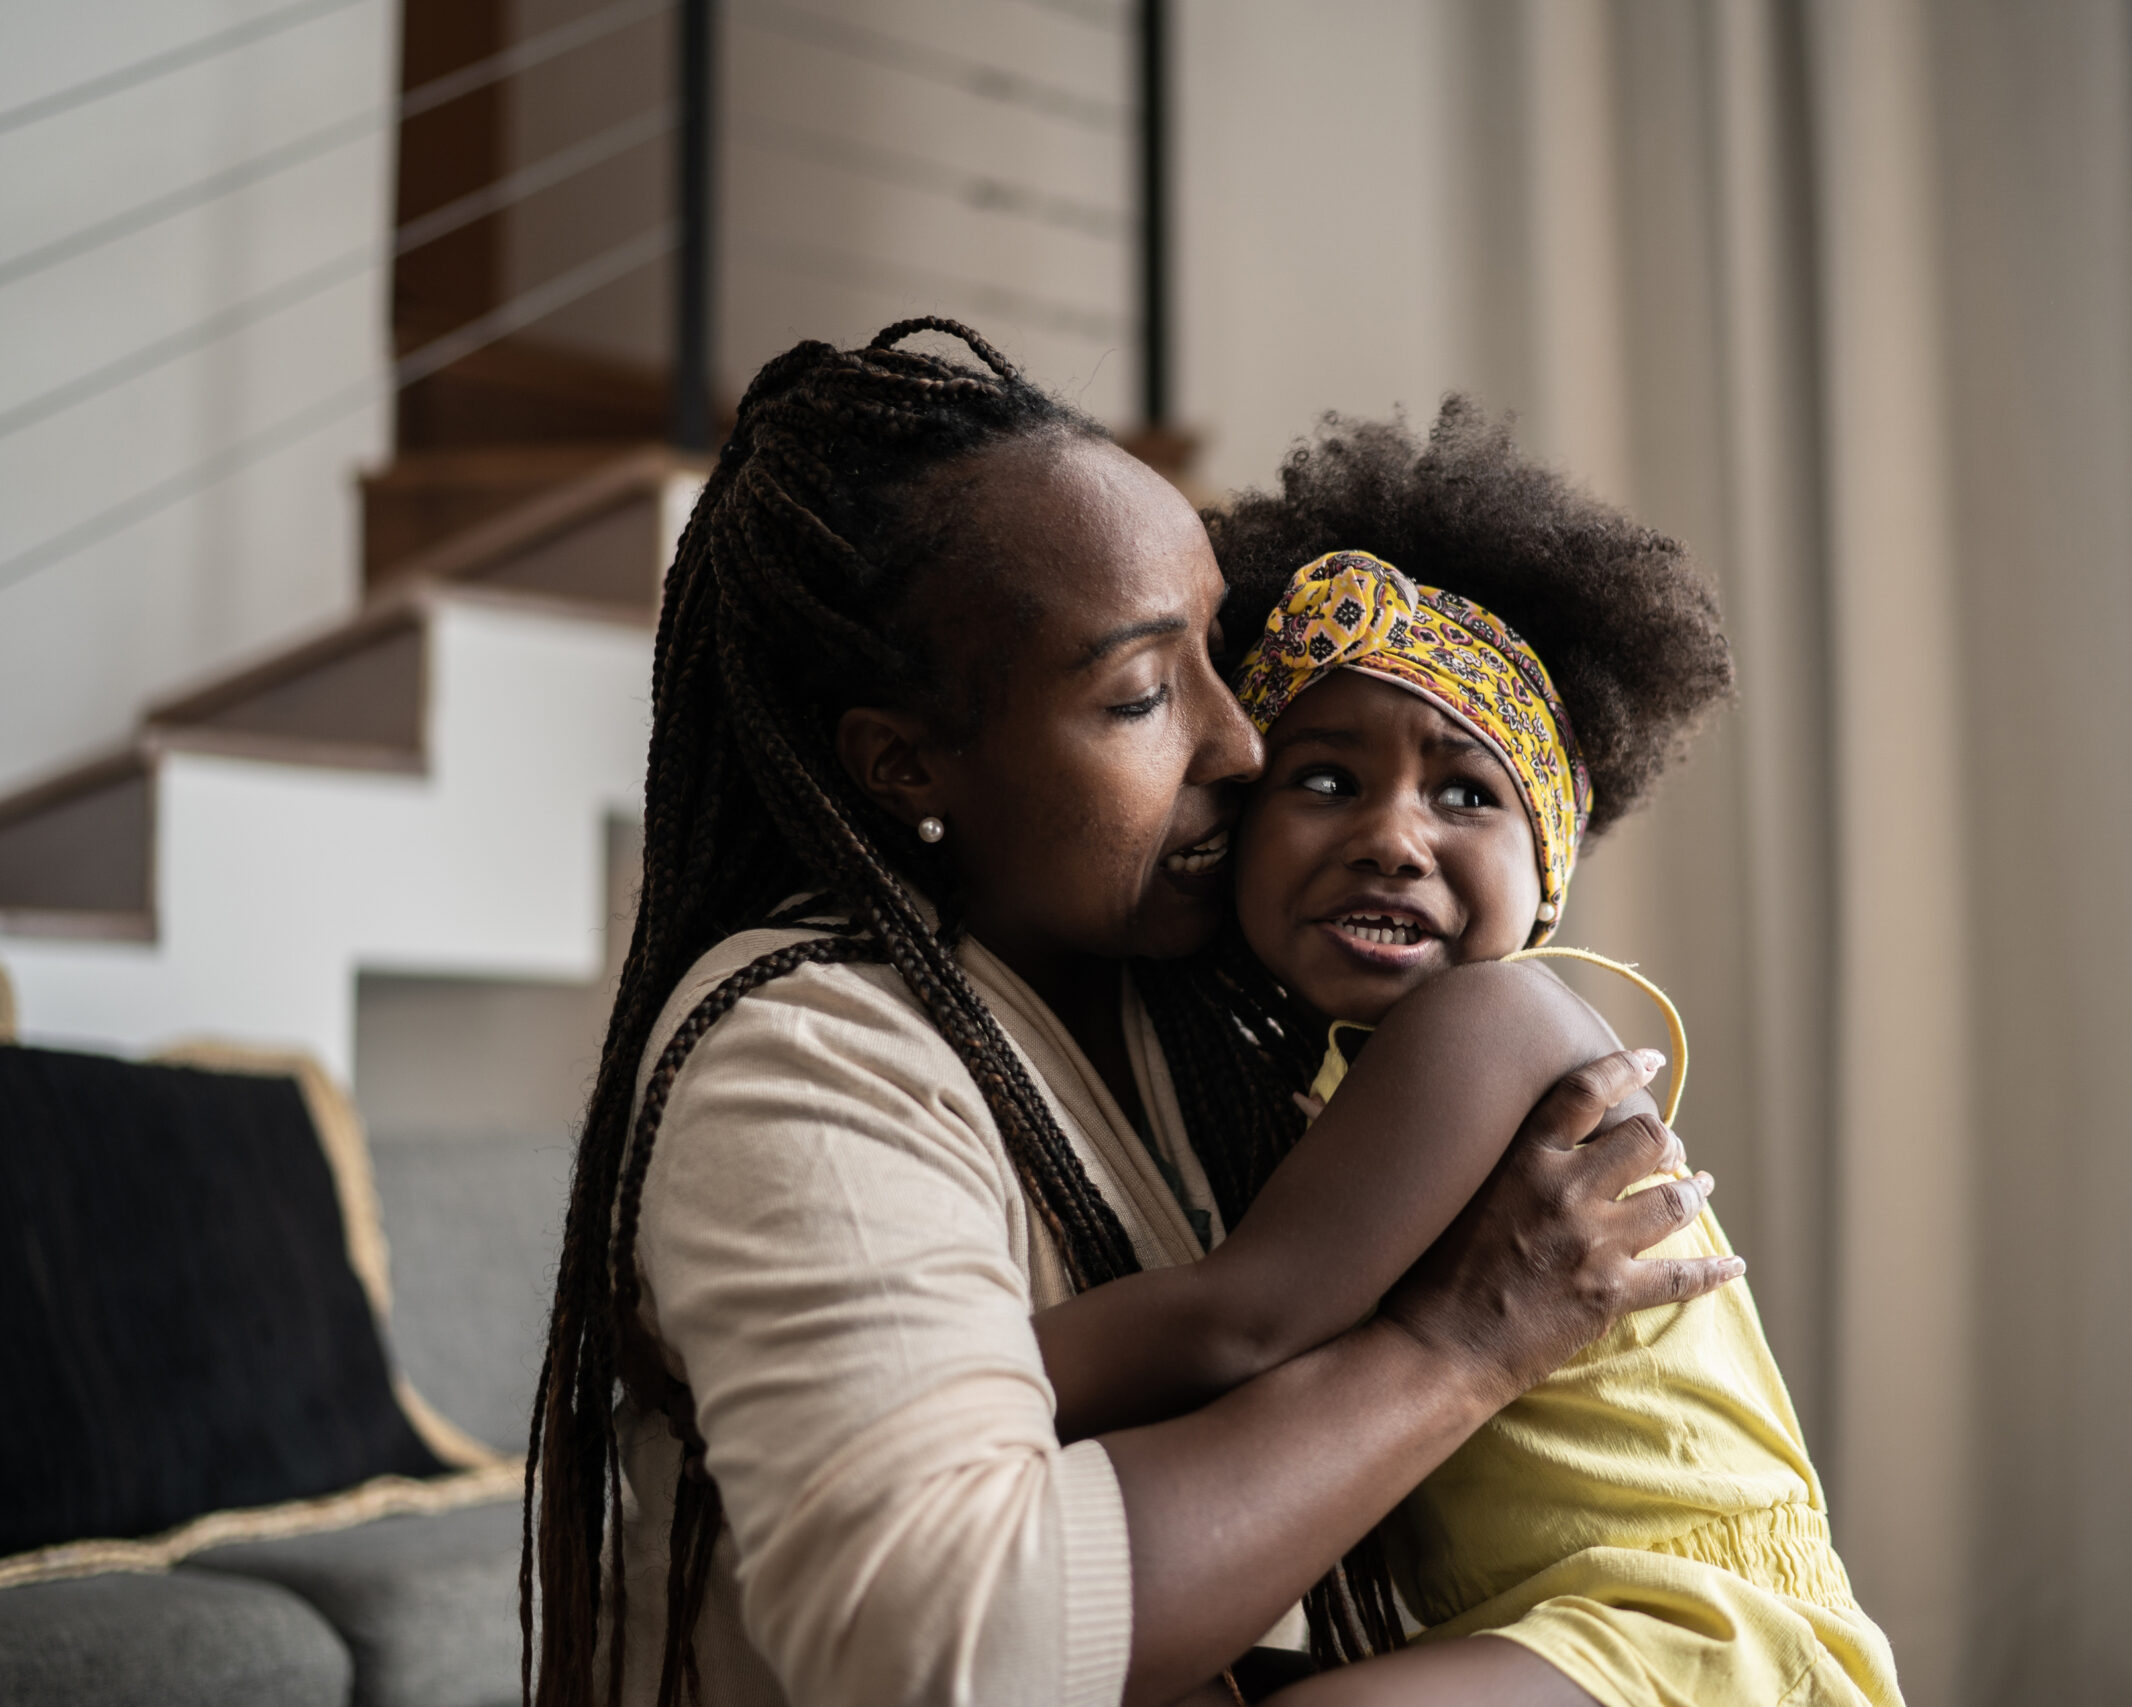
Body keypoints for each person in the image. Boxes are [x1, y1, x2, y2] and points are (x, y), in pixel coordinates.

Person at [522, 325, 1736, 1707]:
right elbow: (954, 1650)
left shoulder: (1225, 1003)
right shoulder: (806, 1060)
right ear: (905, 763)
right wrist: (1454, 1352)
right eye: (1145, 693)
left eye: (1223, 654)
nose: (1243, 744)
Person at [1032, 408, 1897, 1707]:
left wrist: (934, 1382)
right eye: (1322, 781)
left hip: (1682, 1615)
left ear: (1545, 870)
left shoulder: (1489, 1023)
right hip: (1547, 1623)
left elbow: (1240, 1323)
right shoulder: (1302, 1071)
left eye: (1463, 795)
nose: (1393, 837)